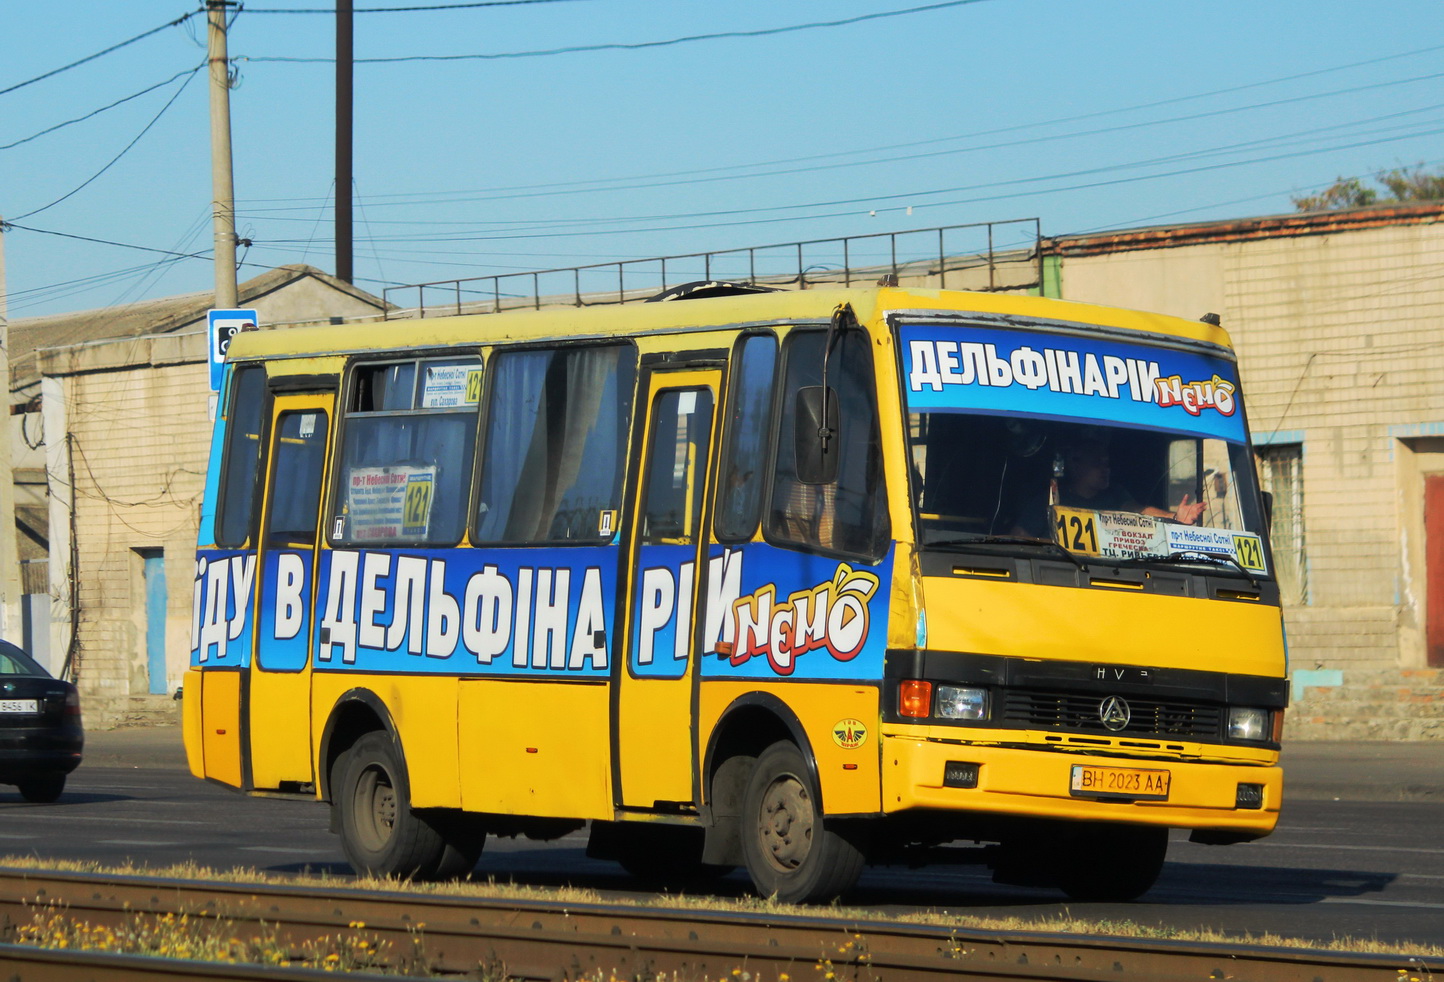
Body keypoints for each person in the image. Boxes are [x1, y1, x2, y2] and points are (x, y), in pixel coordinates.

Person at [1012, 434, 1205, 538]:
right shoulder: (1050, 500)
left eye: (1106, 464)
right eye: (1097, 463)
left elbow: (1139, 511)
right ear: (1075, 465)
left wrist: (1174, 517)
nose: (1105, 470)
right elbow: (1019, 537)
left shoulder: (1115, 495)